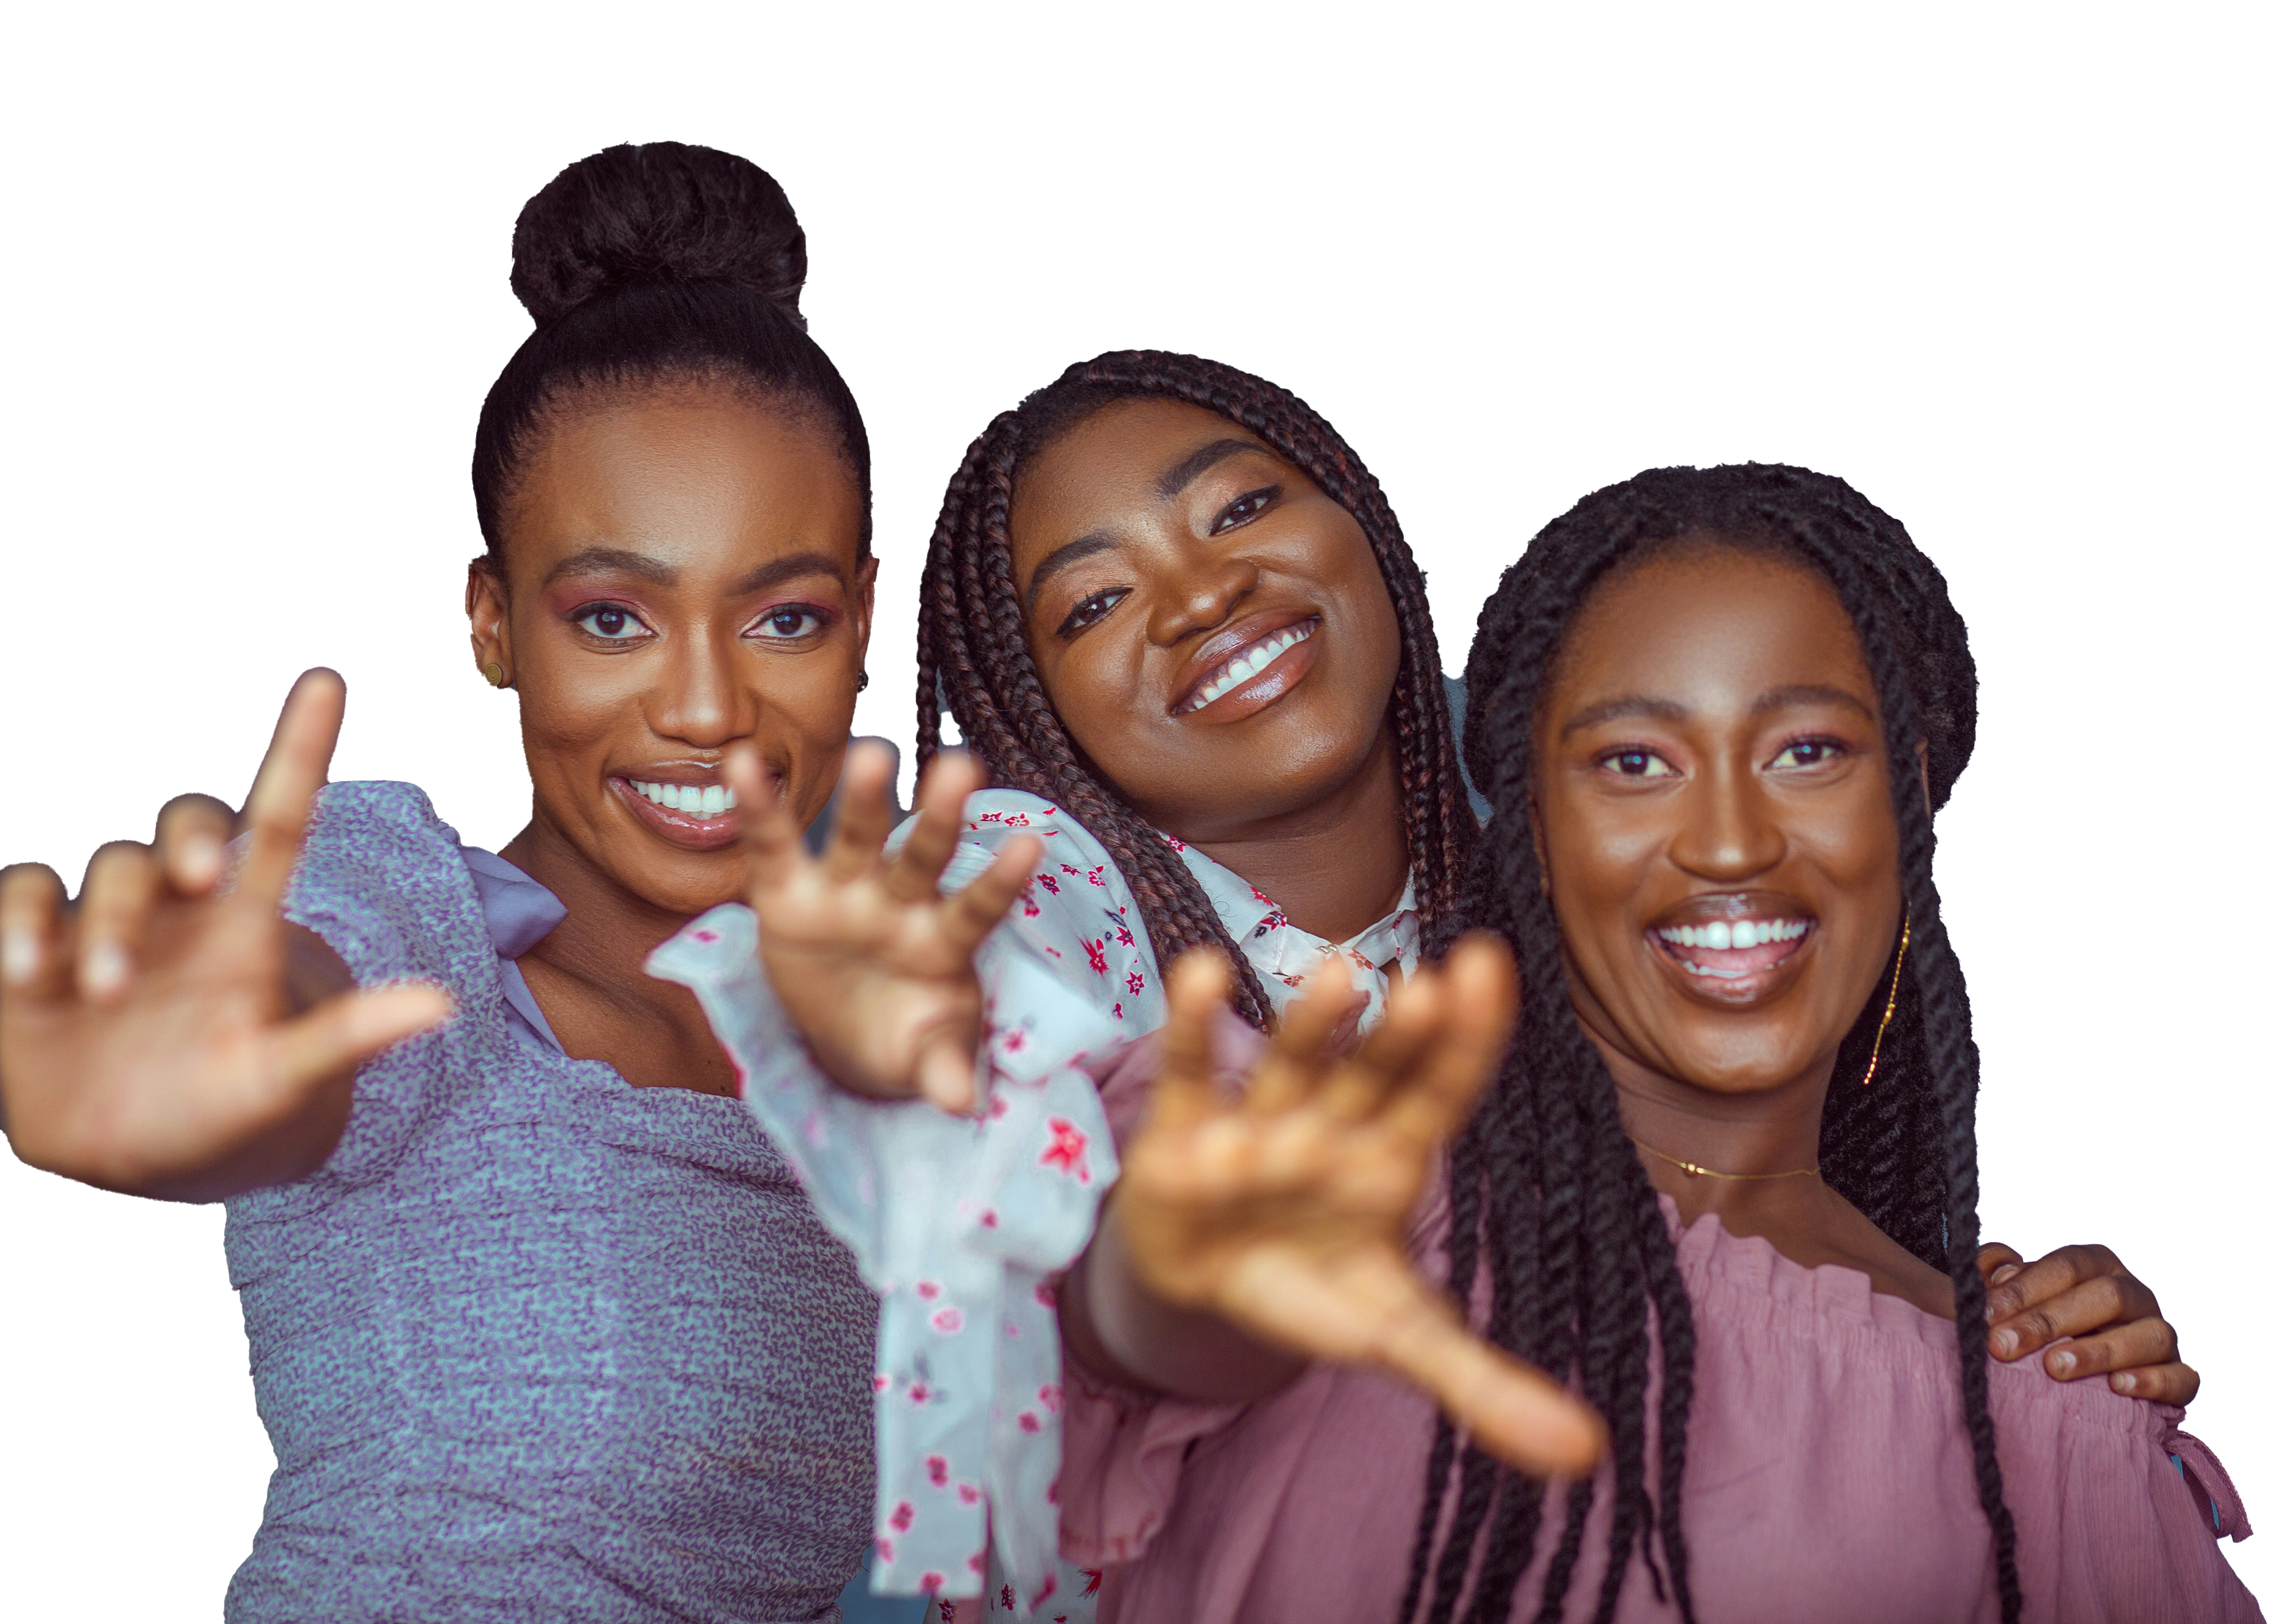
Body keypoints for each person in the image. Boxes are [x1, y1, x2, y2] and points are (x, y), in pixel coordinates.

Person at [684, 351, 2206, 1618]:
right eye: (1092, 603)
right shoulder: (1056, 903)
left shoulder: (1557, 944)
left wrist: (2018, 1345)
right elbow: (1115, 1249)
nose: (1201, 594)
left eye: (1242, 507)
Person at [0, 142, 1037, 1622]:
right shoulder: (413, 920)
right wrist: (208, 1037)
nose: (705, 707)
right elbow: (294, 997)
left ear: (861, 619)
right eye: (612, 617)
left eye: (783, 617)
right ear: (495, 624)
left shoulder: (884, 1046)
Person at [1049, 462, 2258, 1623]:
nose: (1730, 842)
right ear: (1530, 832)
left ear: (1908, 802)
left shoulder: (2044, 1427)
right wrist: (1164, 1280)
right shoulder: (1308, 1180)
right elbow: (1133, 1305)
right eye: (1634, 762)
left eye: (1807, 752)